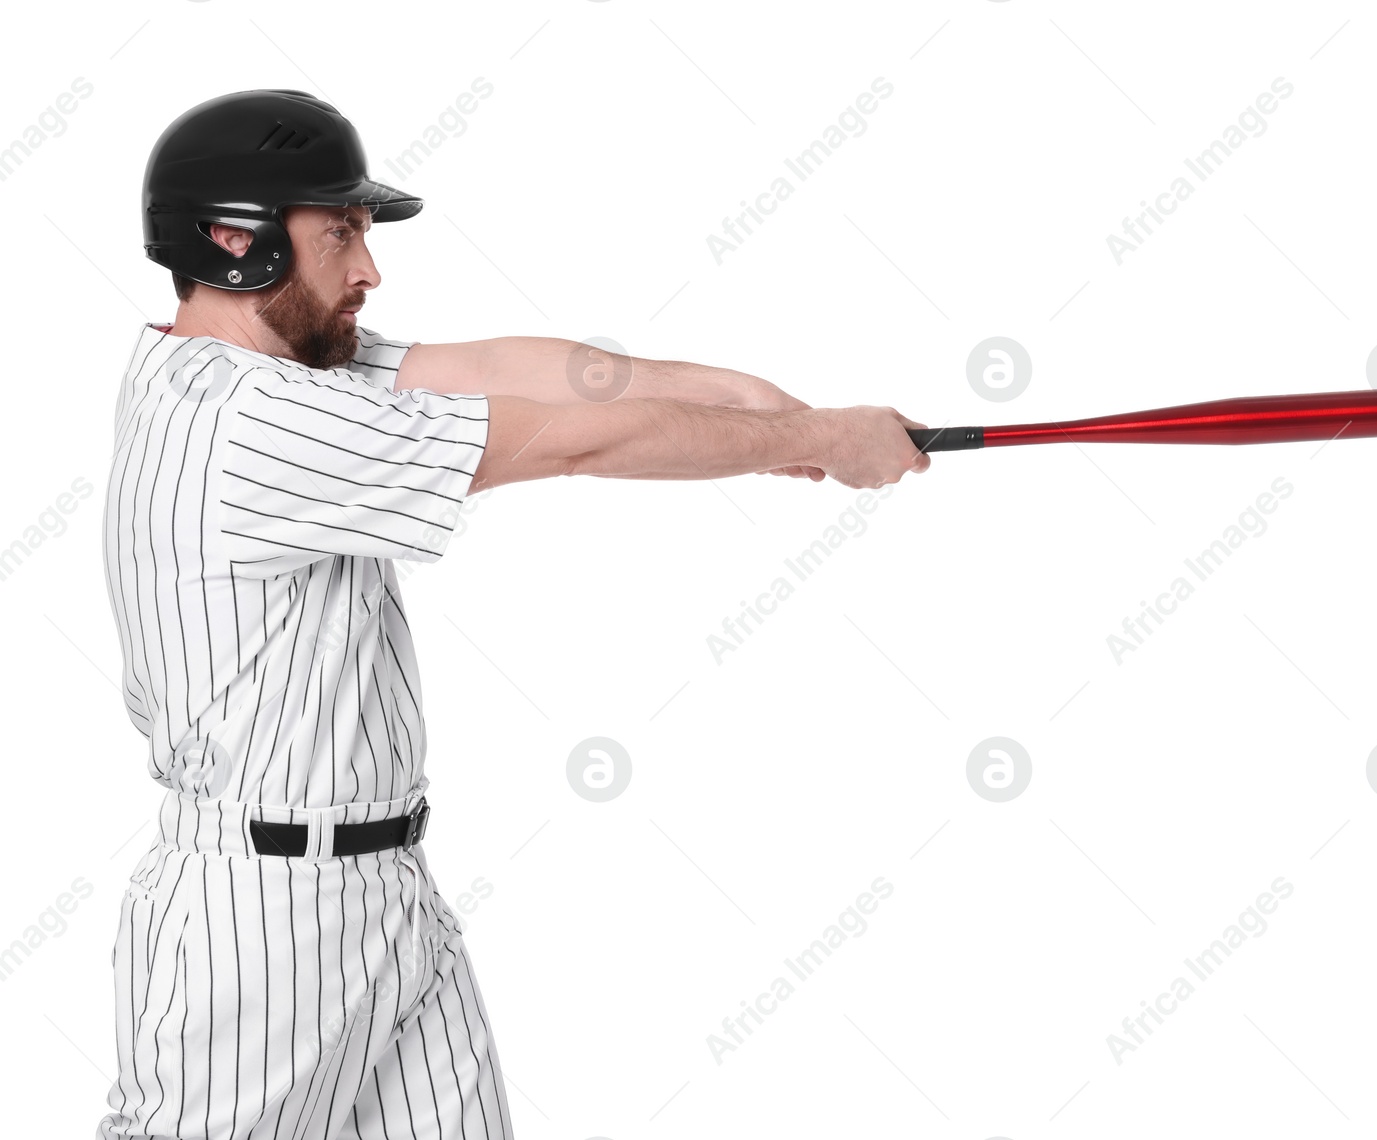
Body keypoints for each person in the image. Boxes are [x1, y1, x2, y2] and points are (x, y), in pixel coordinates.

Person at [98, 89, 929, 1139]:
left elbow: (503, 368)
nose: (368, 267)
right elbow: (573, 442)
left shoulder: (271, 370)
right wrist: (811, 441)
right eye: (340, 233)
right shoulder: (248, 421)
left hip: (388, 886)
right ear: (233, 239)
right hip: (255, 921)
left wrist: (769, 407)